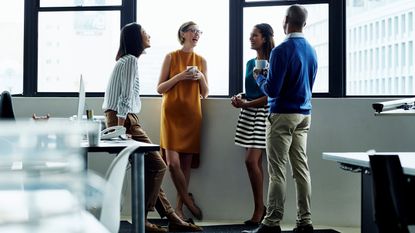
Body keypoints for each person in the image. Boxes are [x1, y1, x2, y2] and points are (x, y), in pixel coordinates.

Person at [102, 22, 202, 233]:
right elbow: (125, 98)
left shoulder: (125, 60)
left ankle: (173, 219)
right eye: (145, 33)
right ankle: (144, 220)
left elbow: (123, 98)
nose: (149, 36)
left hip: (123, 119)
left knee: (150, 168)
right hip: (125, 120)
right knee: (158, 166)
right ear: (137, 39)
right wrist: (121, 130)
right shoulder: (130, 62)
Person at [246, 4, 318, 233]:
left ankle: (271, 223)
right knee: (301, 170)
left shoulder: (281, 50)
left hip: (282, 115)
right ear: (304, 23)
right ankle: (304, 222)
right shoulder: (311, 50)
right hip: (304, 114)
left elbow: (273, 91)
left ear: (285, 20)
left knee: (277, 170)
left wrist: (259, 76)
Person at [157, 21, 208, 221]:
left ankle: (179, 208)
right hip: (171, 116)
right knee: (172, 164)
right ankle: (188, 201)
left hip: (192, 117)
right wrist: (180, 76)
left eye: (199, 31)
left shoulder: (201, 60)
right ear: (183, 34)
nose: (196, 34)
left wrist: (201, 77)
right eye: (193, 31)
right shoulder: (171, 57)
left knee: (185, 167)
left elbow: (205, 93)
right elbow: (160, 88)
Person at [231, 23, 275, 226]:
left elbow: (269, 95)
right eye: (251, 35)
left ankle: (260, 208)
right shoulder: (250, 63)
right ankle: (260, 207)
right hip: (249, 113)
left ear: (265, 38)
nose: (251, 38)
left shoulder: (273, 61)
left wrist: (246, 103)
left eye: (255, 35)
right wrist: (240, 97)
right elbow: (252, 89)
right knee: (252, 163)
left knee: (251, 161)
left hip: (263, 113)